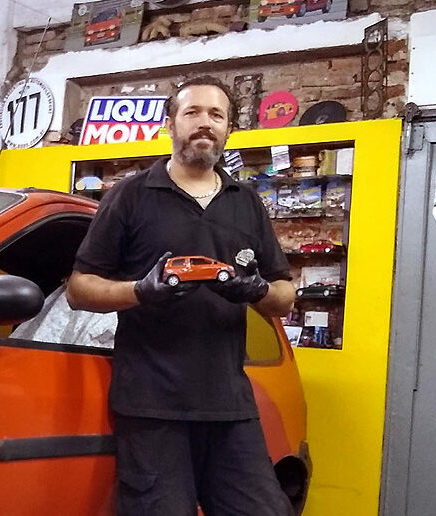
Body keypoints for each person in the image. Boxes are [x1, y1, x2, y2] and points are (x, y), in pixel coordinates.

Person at [66, 76, 296, 516]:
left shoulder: (246, 202)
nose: (204, 123)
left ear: (229, 129)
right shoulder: (130, 196)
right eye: (192, 112)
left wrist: (256, 290)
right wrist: (140, 291)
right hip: (152, 407)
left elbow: (284, 296)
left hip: (229, 405)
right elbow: (79, 287)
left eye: (216, 115)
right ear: (170, 125)